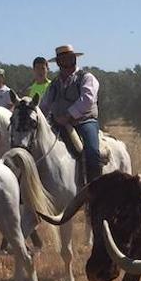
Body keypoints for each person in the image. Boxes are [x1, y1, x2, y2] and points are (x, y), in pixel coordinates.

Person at [39, 45, 103, 185]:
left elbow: (87, 99)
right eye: (63, 59)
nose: (67, 62)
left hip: (85, 121)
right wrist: (37, 116)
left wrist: (67, 116)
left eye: (69, 58)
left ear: (74, 59)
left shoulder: (86, 78)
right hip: (58, 123)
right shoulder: (54, 84)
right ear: (58, 63)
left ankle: (96, 189)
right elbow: (44, 104)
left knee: (92, 151)